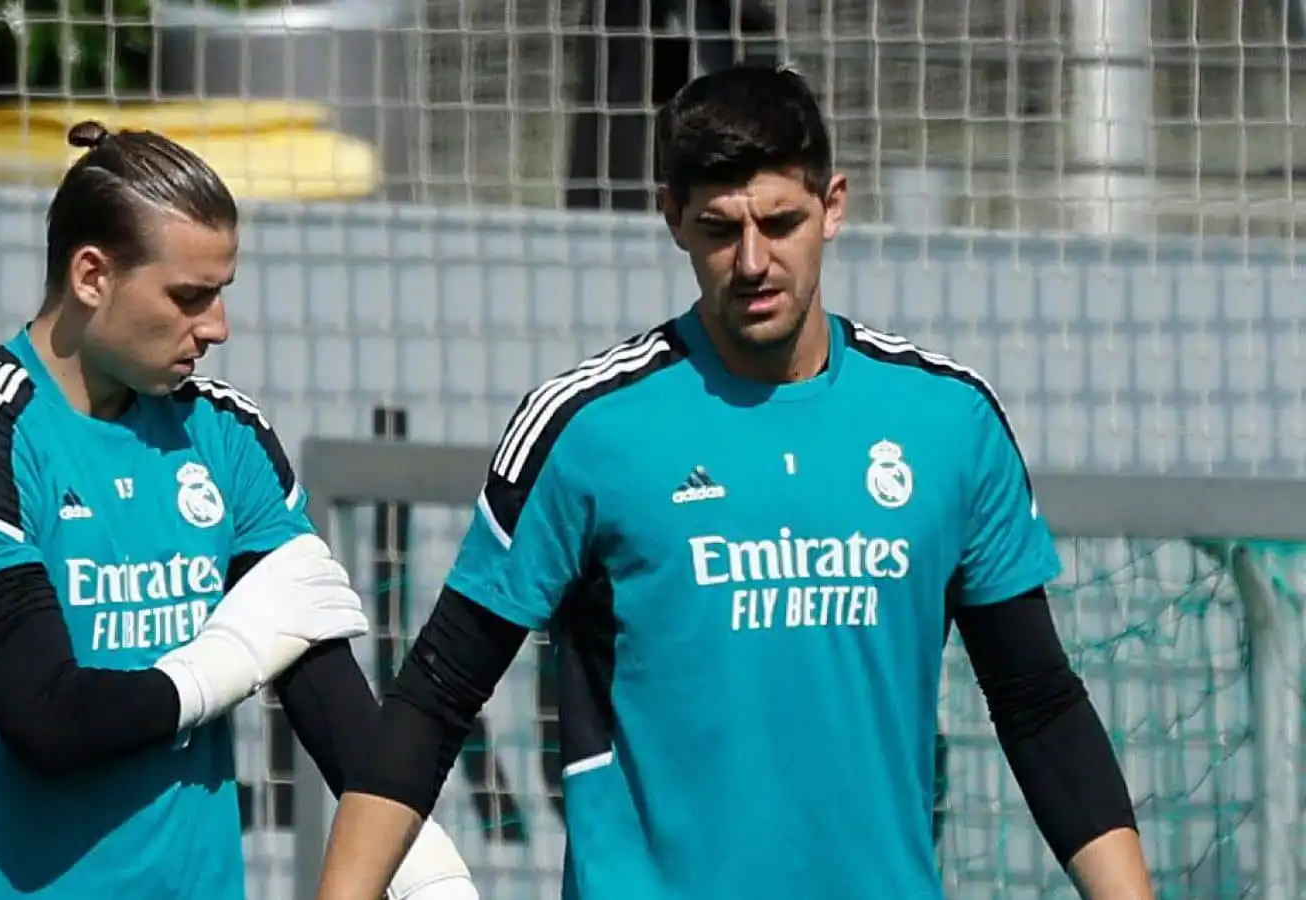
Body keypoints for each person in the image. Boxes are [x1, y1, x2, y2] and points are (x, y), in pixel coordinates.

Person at [312, 64, 1156, 900]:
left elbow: (1037, 701)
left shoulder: (949, 421)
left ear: (833, 206)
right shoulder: (588, 428)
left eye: (780, 223)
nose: (753, 261)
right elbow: (438, 693)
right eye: (720, 229)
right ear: (672, 218)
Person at [0, 121, 478, 900]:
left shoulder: (226, 434)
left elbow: (326, 692)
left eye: (222, 292)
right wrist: (224, 665)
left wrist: (427, 869)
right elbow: (48, 719)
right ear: (92, 276)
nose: (217, 326)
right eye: (189, 296)